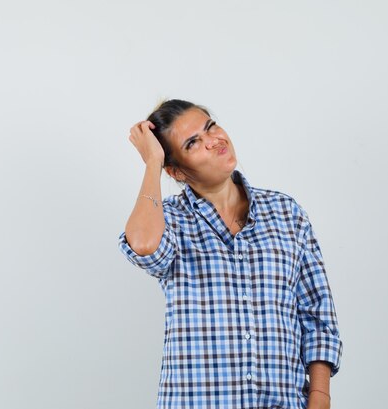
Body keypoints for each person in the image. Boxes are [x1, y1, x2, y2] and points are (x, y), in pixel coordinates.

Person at [118, 99, 342, 409]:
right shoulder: (169, 220)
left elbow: (317, 316)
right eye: (193, 143)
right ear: (177, 171)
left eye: (210, 126)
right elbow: (144, 247)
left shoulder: (287, 214)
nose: (213, 141)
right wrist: (153, 162)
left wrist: (320, 398)